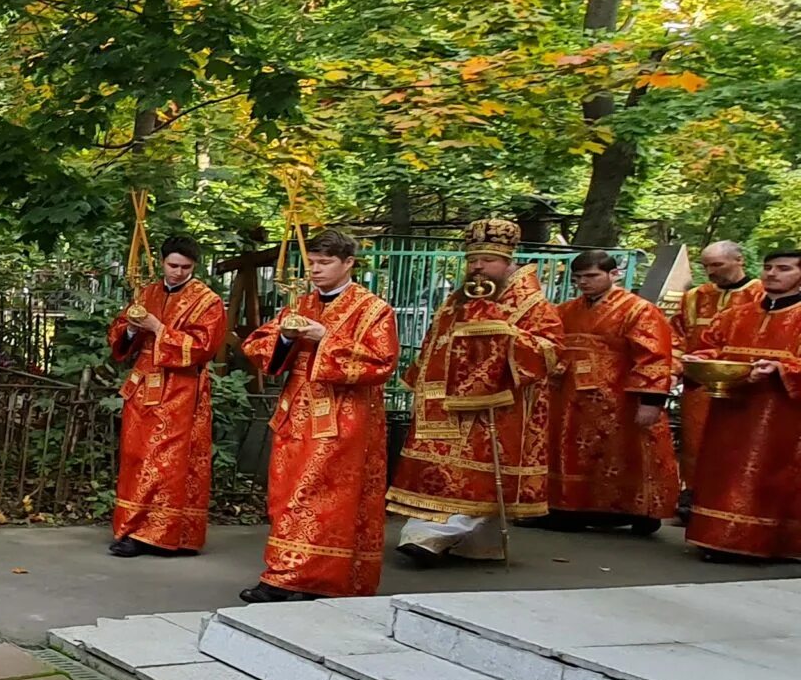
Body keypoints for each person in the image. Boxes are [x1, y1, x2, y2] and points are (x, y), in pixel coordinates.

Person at [389, 217, 561, 566]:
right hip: (444, 399)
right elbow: (434, 342)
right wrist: (420, 383)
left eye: (488, 260)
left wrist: (499, 332)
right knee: (440, 469)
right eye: (472, 259)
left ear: (509, 261)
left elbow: (549, 353)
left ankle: (432, 536)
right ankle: (467, 543)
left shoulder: (535, 306)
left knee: (477, 472)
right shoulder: (455, 301)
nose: (479, 267)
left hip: (500, 406)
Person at [238, 231, 399, 603]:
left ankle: (304, 578)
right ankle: (289, 570)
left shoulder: (374, 309)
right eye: (312, 262)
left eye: (325, 262)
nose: (316, 269)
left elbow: (381, 362)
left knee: (322, 497)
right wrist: (288, 339)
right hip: (295, 413)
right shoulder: (300, 304)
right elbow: (259, 345)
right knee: (285, 494)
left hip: (345, 418)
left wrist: (325, 337)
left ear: (348, 264)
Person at [105, 234, 228, 556]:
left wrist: (160, 329)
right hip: (144, 386)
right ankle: (132, 527)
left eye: (185, 267)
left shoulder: (208, 301)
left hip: (181, 390)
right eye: (173, 265)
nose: (178, 272)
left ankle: (164, 533)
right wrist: (132, 329)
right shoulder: (147, 292)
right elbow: (120, 335)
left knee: (168, 462)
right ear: (162, 262)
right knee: (136, 457)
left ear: (194, 266)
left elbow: (204, 347)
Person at [543, 249, 678, 534]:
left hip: (619, 399)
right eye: (578, 277)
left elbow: (654, 356)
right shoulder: (565, 310)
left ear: (613, 274)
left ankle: (633, 512)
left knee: (621, 454)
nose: (584, 282)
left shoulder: (639, 310)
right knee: (569, 452)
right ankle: (568, 507)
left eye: (592, 276)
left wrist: (651, 401)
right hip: (570, 397)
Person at [684, 245, 801, 563]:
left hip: (783, 414)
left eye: (784, 268)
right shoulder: (738, 314)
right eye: (769, 267)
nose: (773, 273)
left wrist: (782, 369)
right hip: (732, 409)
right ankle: (715, 537)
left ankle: (764, 543)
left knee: (772, 476)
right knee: (721, 471)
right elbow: (714, 348)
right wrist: (700, 359)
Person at [676, 239, 757, 516]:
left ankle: (733, 498)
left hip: (744, 383)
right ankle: (693, 493)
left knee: (738, 443)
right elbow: (677, 334)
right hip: (698, 381)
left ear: (739, 261)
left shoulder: (759, 294)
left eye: (717, 265)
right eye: (706, 265)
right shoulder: (695, 296)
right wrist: (679, 363)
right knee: (695, 437)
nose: (710, 271)